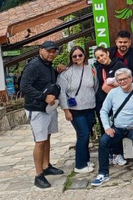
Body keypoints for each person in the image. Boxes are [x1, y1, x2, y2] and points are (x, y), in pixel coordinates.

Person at [92, 68, 133, 186]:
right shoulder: (113, 93)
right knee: (103, 141)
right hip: (117, 128)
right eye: (119, 80)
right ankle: (103, 173)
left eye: (125, 79)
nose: (122, 82)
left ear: (131, 78)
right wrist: (107, 127)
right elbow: (103, 110)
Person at [20, 40, 63, 189]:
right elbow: (24, 86)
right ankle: (38, 175)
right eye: (49, 51)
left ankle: (46, 165)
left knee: (47, 136)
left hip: (48, 108)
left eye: (54, 52)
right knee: (40, 140)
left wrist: (58, 71)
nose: (51, 54)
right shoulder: (34, 66)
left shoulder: (48, 66)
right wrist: (43, 97)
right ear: (40, 50)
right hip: (36, 108)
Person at [57, 46, 97, 174]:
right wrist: (66, 110)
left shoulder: (90, 69)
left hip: (90, 107)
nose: (78, 58)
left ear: (84, 55)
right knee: (83, 134)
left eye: (80, 55)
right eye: (74, 56)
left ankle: (86, 160)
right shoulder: (66, 73)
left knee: (87, 135)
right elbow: (62, 93)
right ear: (71, 58)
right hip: (75, 109)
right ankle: (79, 165)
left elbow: (94, 86)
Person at [95, 46, 127, 139]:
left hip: (118, 102)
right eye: (98, 57)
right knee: (105, 128)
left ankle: (119, 152)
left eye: (102, 55)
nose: (101, 58)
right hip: (103, 102)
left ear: (107, 53)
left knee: (117, 128)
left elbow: (129, 80)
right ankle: (109, 152)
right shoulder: (98, 68)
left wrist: (117, 83)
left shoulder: (119, 64)